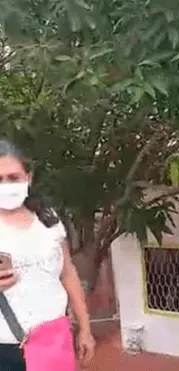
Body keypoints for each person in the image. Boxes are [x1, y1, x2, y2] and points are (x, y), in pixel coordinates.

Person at [0, 139, 95, 370]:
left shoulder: (47, 217)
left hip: (54, 340)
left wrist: (85, 328)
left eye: (13, 177)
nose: (6, 185)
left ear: (28, 178)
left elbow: (68, 273)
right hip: (6, 348)